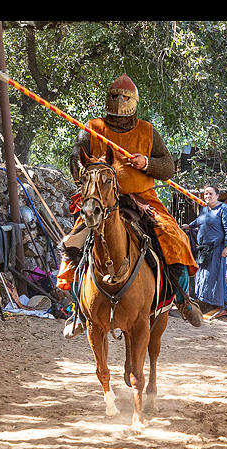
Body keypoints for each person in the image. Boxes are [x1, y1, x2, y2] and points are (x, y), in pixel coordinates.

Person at [58, 74, 201, 337]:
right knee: (73, 244)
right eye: (116, 97)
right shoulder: (93, 127)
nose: (120, 104)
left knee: (175, 238)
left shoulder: (147, 131)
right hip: (100, 199)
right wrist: (83, 169)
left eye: (125, 99)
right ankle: (78, 310)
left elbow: (168, 167)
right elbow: (75, 157)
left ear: (132, 102)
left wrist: (146, 163)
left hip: (142, 199)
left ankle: (183, 298)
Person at [182, 185, 227, 316]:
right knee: (203, 276)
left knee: (215, 276)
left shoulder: (224, 209)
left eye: (210, 194)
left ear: (217, 195)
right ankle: (205, 303)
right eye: (206, 194)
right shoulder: (204, 209)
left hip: (217, 249)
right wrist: (189, 226)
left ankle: (220, 306)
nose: (207, 196)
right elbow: (199, 221)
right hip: (204, 250)